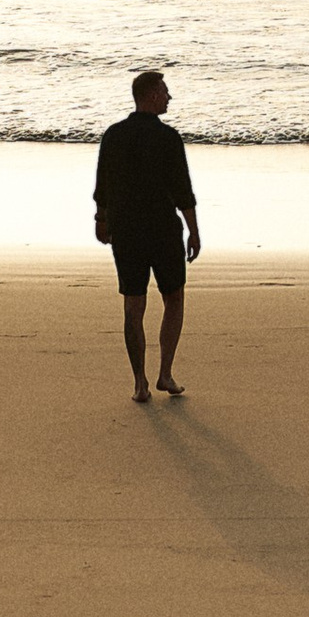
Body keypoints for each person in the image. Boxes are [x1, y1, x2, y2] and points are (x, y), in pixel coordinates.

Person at [94, 68, 201, 403]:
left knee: (133, 304)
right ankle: (165, 373)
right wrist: (195, 232)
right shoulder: (169, 138)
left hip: (126, 230)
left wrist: (101, 218)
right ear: (152, 95)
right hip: (162, 230)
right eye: (165, 91)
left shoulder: (113, 135)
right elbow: (183, 190)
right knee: (174, 298)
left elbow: (103, 183)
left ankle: (140, 383)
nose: (169, 97)